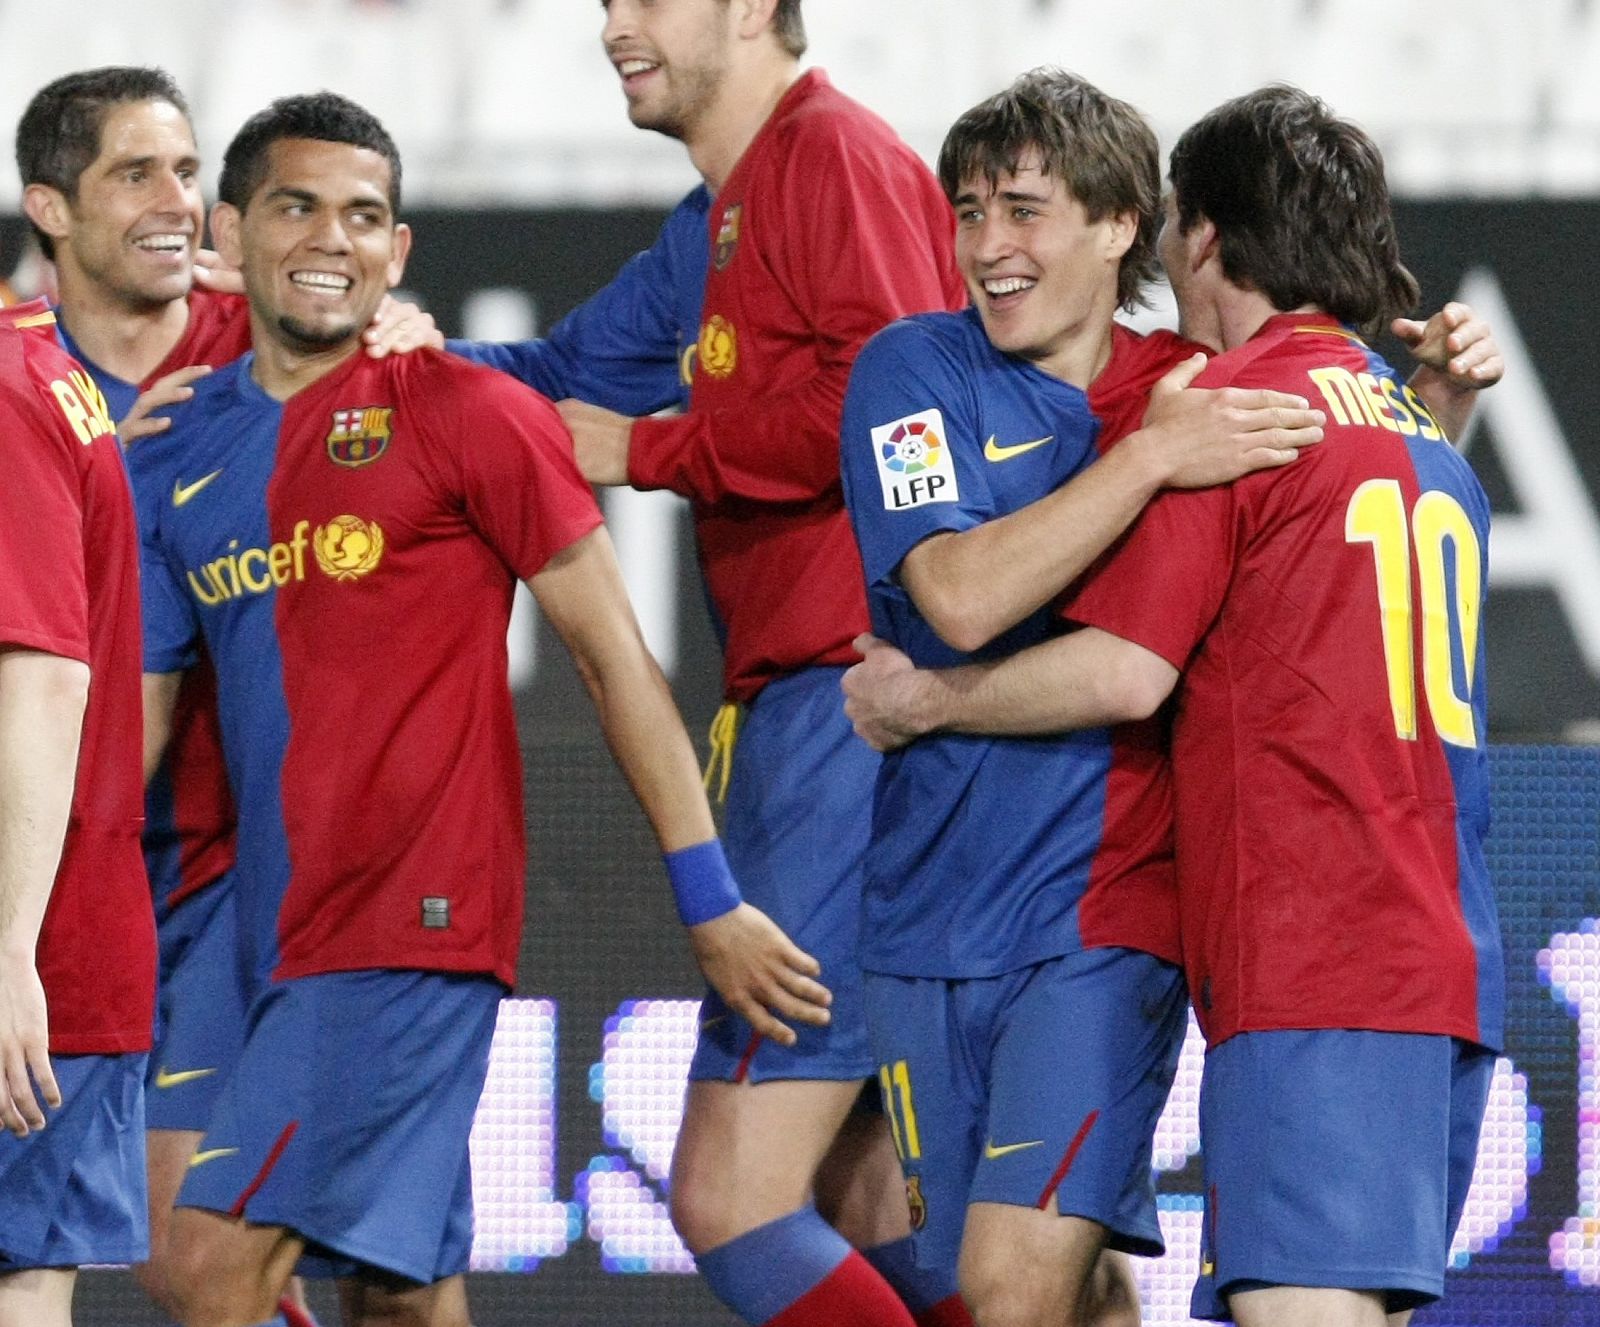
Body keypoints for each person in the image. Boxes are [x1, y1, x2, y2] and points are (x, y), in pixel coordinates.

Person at [139, 91, 829, 1327]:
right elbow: (140, 725)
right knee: (402, 1295)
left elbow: (616, 661)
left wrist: (708, 897)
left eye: (365, 216)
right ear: (229, 233)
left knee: (207, 1264)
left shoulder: (470, 412)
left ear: (400, 248)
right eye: (297, 207)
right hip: (261, 933)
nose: (333, 238)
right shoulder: (176, 450)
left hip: (409, 929)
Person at [842, 84, 1503, 1327]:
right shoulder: (912, 370)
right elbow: (956, 590)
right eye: (968, 211)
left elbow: (1123, 672)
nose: (987, 243)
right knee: (1027, 1287)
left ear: (1141, 230)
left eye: (1023, 209)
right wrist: (1428, 413)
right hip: (932, 909)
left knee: (1010, 1290)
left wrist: (925, 699)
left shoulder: (1213, 400)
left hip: (1139, 924)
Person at [393, 2, 977, 1322]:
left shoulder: (833, 158)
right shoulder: (719, 213)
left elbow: (892, 403)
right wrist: (402, 355)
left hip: (854, 712)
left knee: (729, 1194)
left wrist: (650, 448)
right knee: (870, 1200)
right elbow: (560, 373)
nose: (615, 23)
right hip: (804, 711)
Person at [15, 66, 427, 1327]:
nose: (174, 202)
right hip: (86, 866)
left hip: (243, 870)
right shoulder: (25, 380)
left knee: (335, 1261)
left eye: (188, 173)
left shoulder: (267, 338)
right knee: (174, 1250)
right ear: (49, 208)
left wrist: (399, 337)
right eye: (136, 173)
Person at [0, 300, 154, 1327]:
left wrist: (11, 954)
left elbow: (47, 676)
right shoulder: (39, 375)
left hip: (37, 959)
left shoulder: (5, 394)